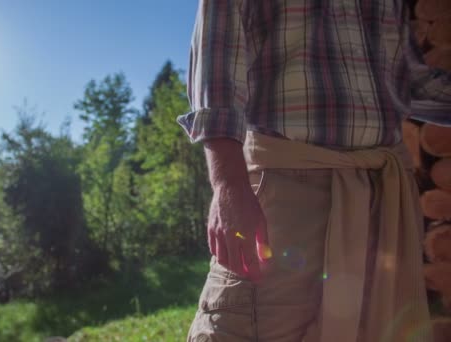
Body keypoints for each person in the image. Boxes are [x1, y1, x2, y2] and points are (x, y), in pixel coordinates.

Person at [176, 0, 451, 341]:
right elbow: (216, 73)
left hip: (382, 198)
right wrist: (228, 185)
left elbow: (410, 80)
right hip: (287, 191)